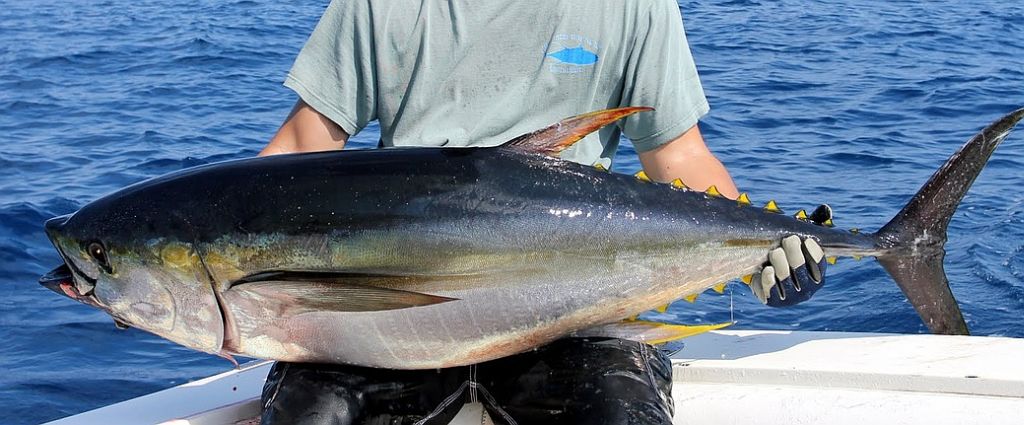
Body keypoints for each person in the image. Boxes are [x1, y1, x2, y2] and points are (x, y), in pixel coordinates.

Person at [256, 0, 829, 423]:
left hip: (577, 306)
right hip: (399, 302)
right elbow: (301, 146)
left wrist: (762, 256)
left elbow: (679, 154)